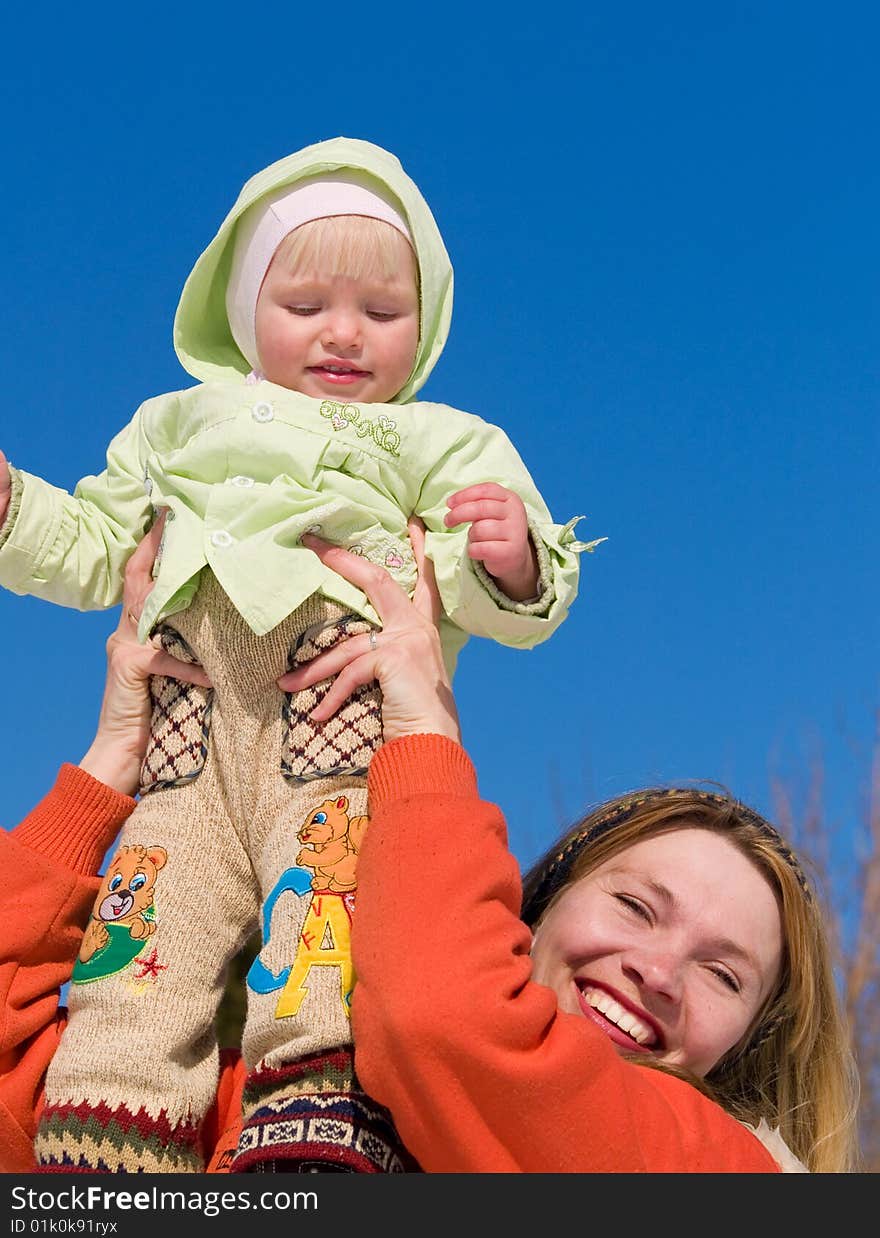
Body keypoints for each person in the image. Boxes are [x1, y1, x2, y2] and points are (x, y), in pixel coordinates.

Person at [0, 136, 601, 1173]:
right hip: (182, 738)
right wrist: (15, 509)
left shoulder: (435, 438)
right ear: (244, 312)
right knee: (146, 926)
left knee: (324, 914)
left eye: (381, 313)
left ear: (424, 327)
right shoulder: (175, 423)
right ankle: (109, 1127)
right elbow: (99, 547)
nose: (343, 333)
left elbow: (478, 582)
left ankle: (312, 1117)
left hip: (334, 720)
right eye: (305, 302)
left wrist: (512, 561)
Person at [1, 524, 861, 1173]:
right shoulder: (288, 1111)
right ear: (533, 908)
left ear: (753, 1039)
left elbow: (441, 1018)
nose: (660, 974)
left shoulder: (716, 1170)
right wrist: (110, 765)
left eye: (724, 973)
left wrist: (421, 733)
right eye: (636, 906)